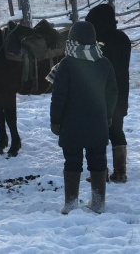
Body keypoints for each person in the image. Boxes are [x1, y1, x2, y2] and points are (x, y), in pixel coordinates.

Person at [50, 21, 118, 214]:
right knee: (98, 160)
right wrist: (109, 115)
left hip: (71, 125)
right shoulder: (104, 63)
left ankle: (71, 203)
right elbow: (112, 93)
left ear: (71, 39)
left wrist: (55, 120)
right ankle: (98, 203)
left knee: (72, 161)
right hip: (98, 123)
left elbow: (59, 96)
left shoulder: (66, 64)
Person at [86, 4, 131, 183]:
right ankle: (120, 172)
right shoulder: (123, 38)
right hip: (121, 93)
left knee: (98, 132)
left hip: (100, 95)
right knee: (117, 129)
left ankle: (101, 172)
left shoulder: (97, 43)